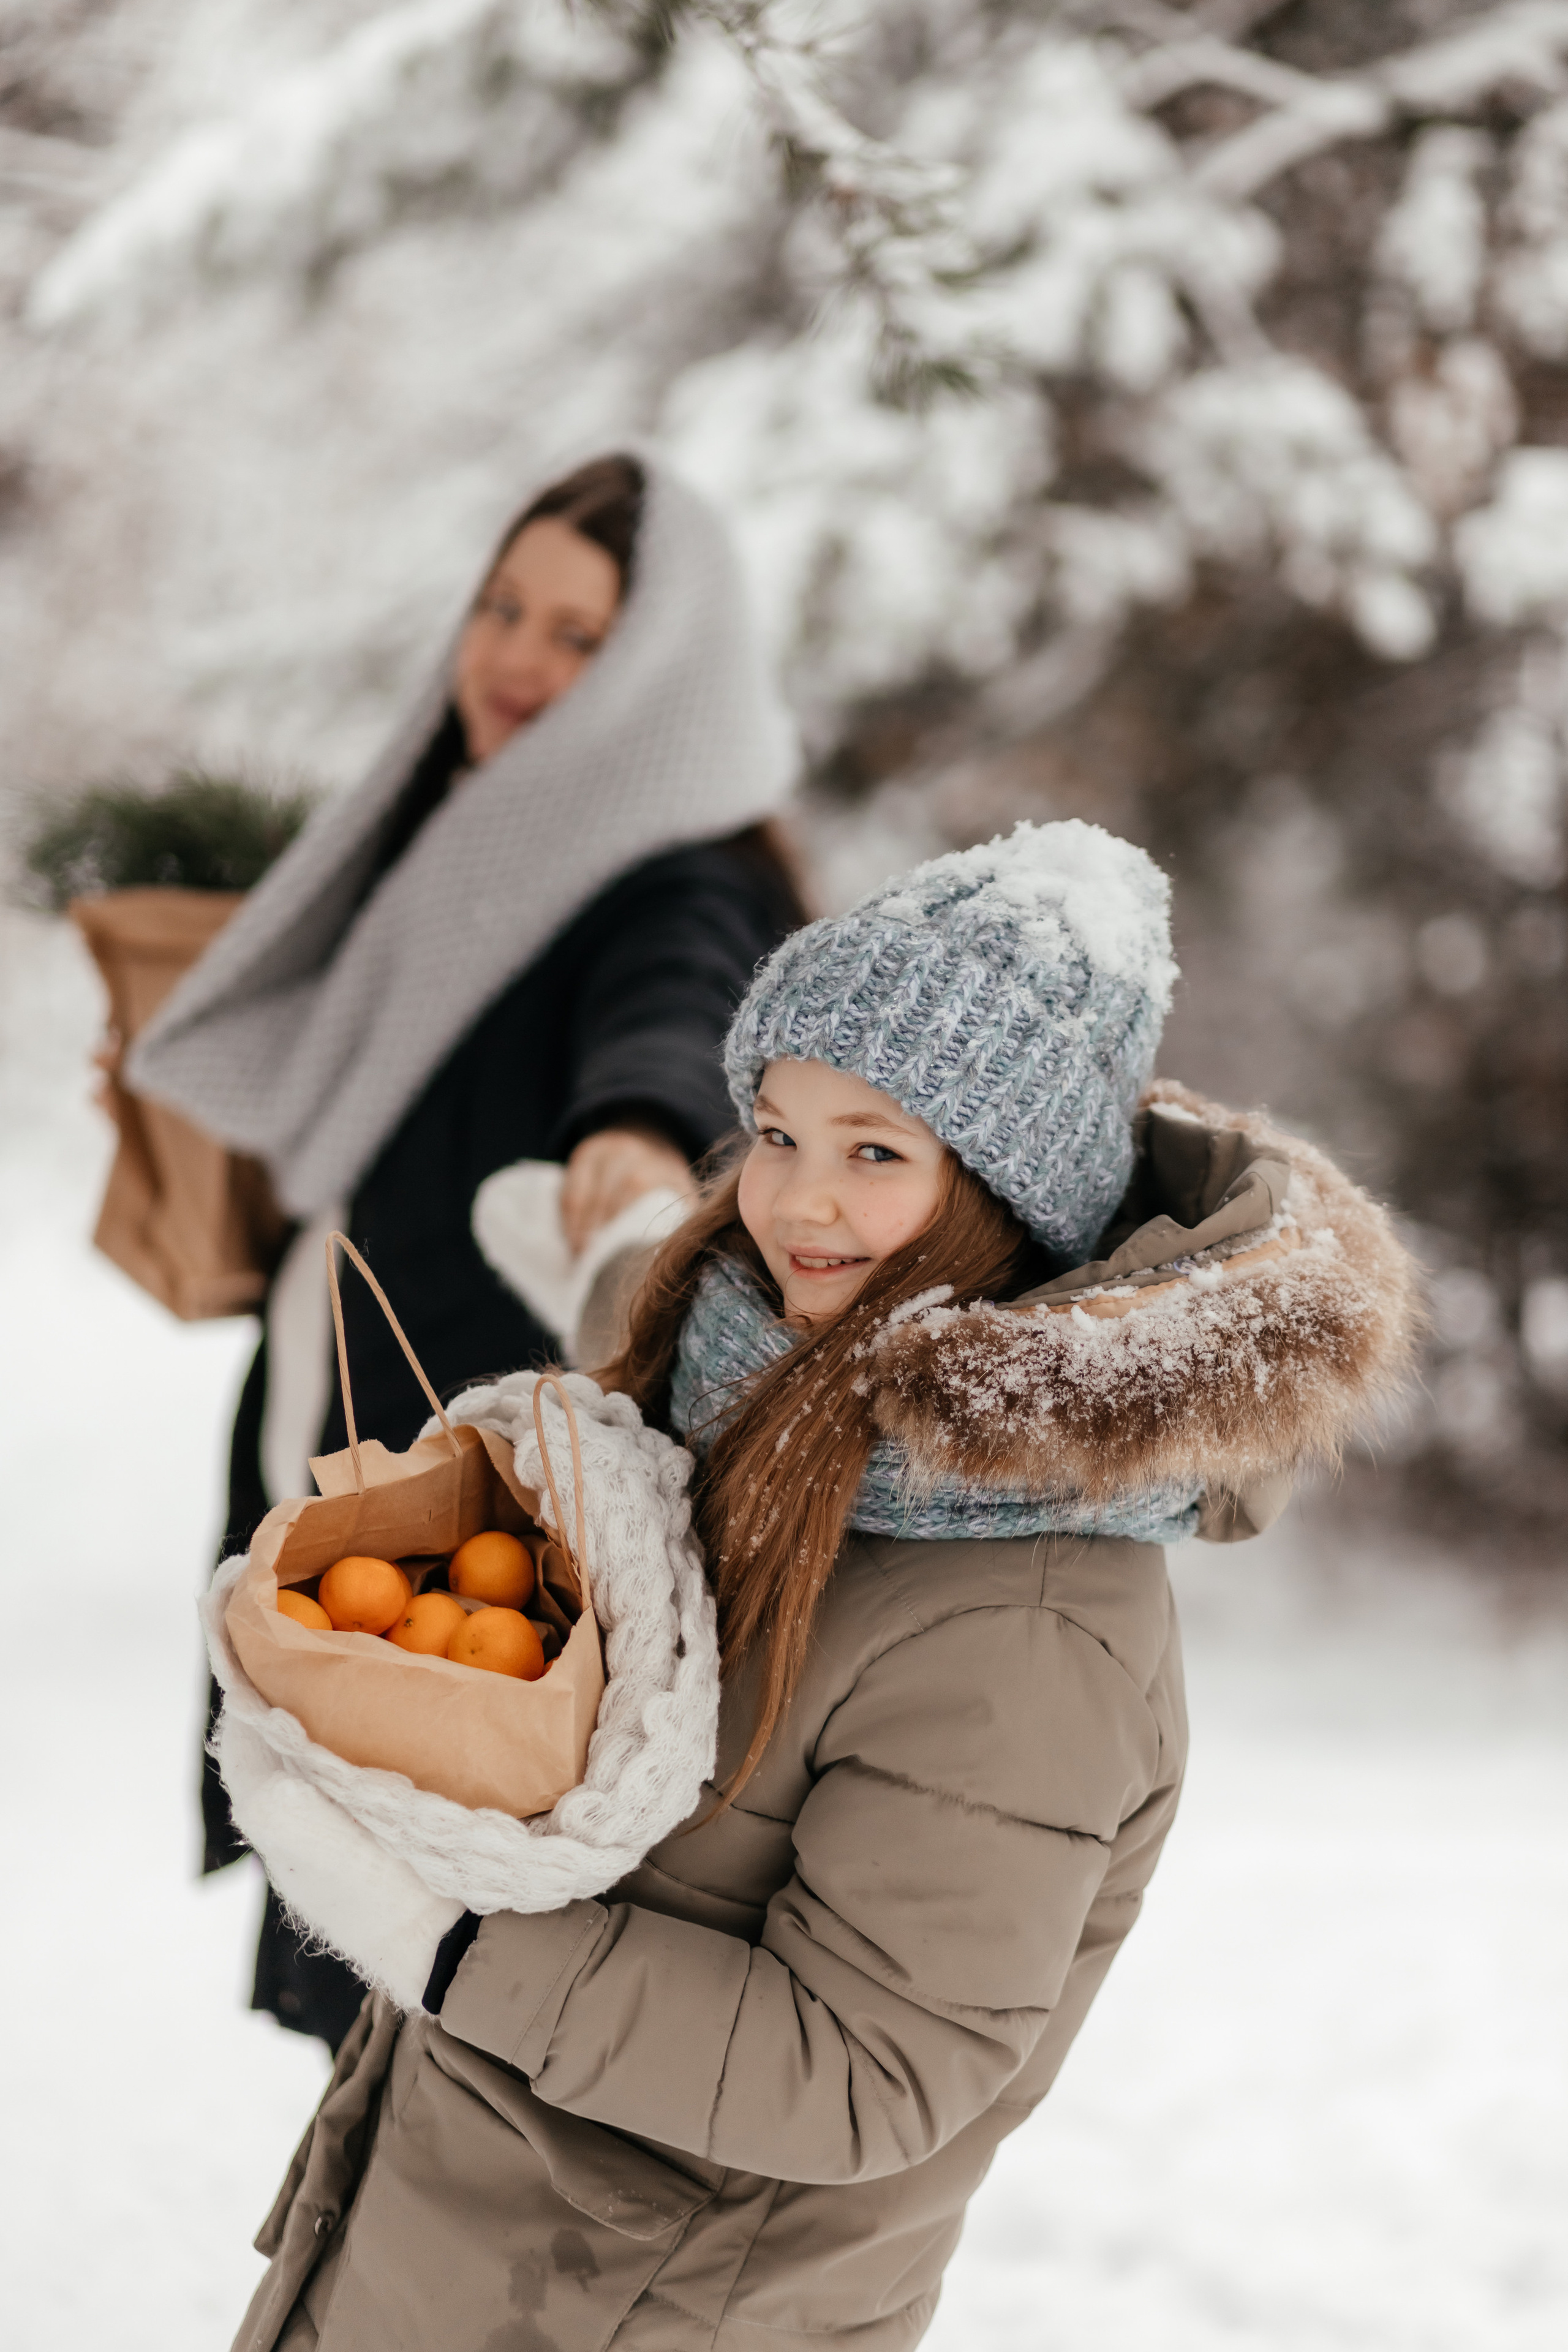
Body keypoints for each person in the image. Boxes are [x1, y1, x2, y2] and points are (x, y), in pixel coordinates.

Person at [223, 821, 1419, 2351]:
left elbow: (868, 2070)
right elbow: (706, 1317)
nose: (794, 1202)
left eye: (873, 1152)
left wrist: (445, 1943)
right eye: (774, 1132)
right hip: (455, 2238)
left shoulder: (1030, 1625)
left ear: (1004, 1191)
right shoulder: (757, 1373)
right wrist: (602, 1262)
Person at [129, 451, 802, 2049]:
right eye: (503, 607)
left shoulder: (671, 872)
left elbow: (681, 1000)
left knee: (438, 1992)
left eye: (581, 635)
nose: (515, 656)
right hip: (372, 1455)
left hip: (484, 1535)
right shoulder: (468, 856)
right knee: (371, 1991)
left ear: (660, 673)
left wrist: (637, 1124)